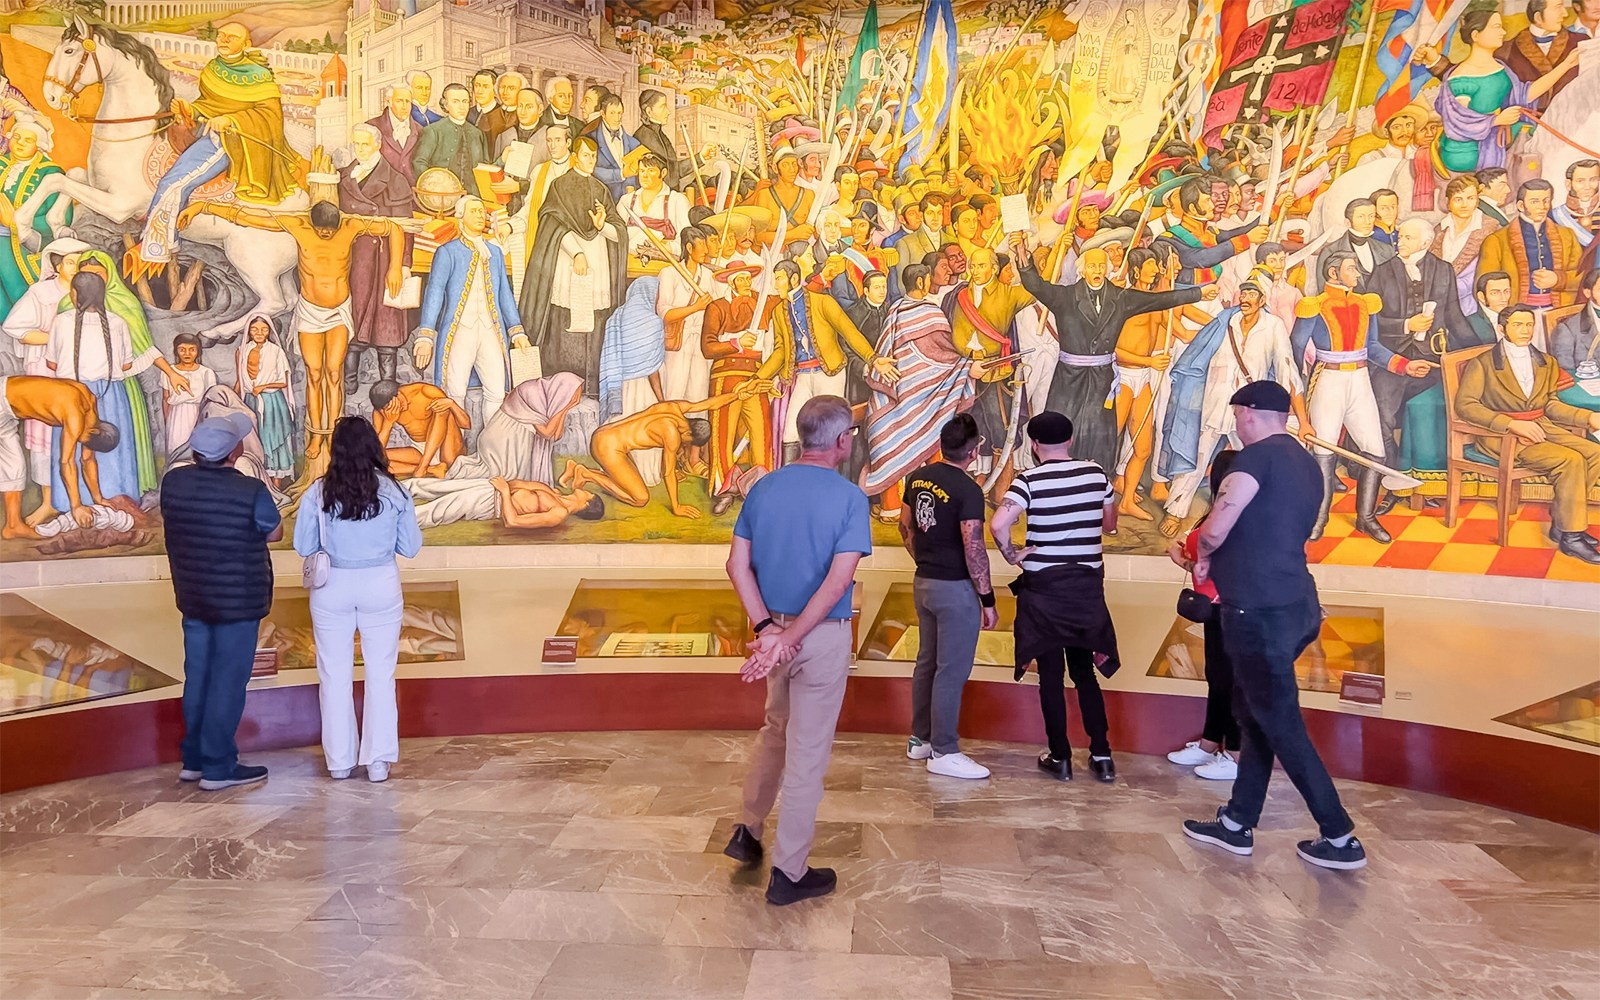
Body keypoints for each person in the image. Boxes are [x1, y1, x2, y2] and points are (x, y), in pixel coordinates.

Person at [1181, 381, 1367, 871]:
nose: (1236, 423)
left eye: (1238, 414)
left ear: (1249, 414)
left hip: (1255, 611)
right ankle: (1237, 823)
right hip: (1296, 604)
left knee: (1281, 724)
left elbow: (1217, 527)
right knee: (1254, 713)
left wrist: (1201, 557)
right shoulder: (1306, 463)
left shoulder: (1251, 462)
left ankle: (1340, 835)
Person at [722, 396, 871, 906]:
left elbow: (737, 566)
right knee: (807, 751)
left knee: (776, 731)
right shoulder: (851, 498)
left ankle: (748, 830)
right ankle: (789, 871)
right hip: (819, 635)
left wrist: (768, 629)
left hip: (772, 634)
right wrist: (790, 638)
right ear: (841, 441)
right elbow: (838, 582)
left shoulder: (763, 487)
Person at [177, 197, 405, 469]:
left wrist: (395, 266)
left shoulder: (351, 226)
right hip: (310, 311)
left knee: (334, 373)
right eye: (321, 230)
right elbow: (248, 215)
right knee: (314, 373)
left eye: (330, 231)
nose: (325, 235)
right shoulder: (297, 226)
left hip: (339, 311)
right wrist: (202, 207)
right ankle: (316, 436)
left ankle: (335, 433)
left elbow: (393, 228)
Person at [989, 411, 1120, 784]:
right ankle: (1102, 756)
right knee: (1085, 674)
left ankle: (1060, 757)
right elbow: (1109, 524)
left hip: (1045, 590)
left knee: (1050, 675)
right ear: (1071, 440)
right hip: (1085, 588)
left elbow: (999, 523)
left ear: (1033, 444)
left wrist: (1011, 554)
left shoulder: (1027, 480)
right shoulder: (1096, 474)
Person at [294, 417, 422, 782]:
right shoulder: (394, 492)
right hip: (380, 582)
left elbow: (304, 546)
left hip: (331, 584)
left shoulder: (318, 492)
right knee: (381, 672)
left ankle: (339, 763)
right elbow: (410, 547)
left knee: (333, 673)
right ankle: (378, 762)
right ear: (374, 448)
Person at [161, 412, 283, 791]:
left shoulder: (173, 483)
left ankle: (193, 760)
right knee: (228, 681)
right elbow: (275, 532)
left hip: (193, 596)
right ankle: (218, 766)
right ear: (234, 452)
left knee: (197, 676)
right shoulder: (249, 490)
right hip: (238, 601)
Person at [134, 22, 298, 270]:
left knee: (173, 182)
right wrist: (191, 109)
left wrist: (232, 120)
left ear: (246, 44)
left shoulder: (259, 75)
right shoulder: (213, 68)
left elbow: (271, 117)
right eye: (221, 36)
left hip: (233, 141)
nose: (223, 40)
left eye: (231, 37)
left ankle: (158, 247)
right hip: (209, 131)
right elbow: (208, 105)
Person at [1457, 305, 1600, 564]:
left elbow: (1552, 405)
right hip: (1503, 436)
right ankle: (1572, 537)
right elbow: (1466, 405)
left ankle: (1563, 521)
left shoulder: (1547, 362)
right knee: (1571, 460)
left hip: (1541, 424)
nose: (1525, 330)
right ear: (1502, 329)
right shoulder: (1484, 363)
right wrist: (1510, 424)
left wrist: (1587, 417)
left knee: (1595, 452)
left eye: (1529, 325)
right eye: (1518, 325)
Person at [901, 414, 996, 780]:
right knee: (951, 671)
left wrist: (923, 559)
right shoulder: (968, 490)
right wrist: (986, 599)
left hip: (923, 582)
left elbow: (905, 525)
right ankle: (944, 750)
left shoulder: (918, 477)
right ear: (973, 452)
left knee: (927, 662)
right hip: (955, 590)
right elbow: (974, 548)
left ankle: (919, 740)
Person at [562, 384, 762, 518]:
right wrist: (676, 506)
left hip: (606, 434)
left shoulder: (674, 408)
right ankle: (585, 473)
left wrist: (737, 395)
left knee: (630, 481)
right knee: (640, 498)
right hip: (606, 447)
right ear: (689, 437)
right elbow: (668, 472)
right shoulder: (672, 435)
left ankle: (582, 471)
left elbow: (708, 403)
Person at [414, 196, 530, 424]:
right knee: (454, 393)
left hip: (490, 332)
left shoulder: (495, 253)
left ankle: (493, 450)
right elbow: (434, 292)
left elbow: (504, 294)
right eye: (474, 211)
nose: (480, 215)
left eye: (481, 211)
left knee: (497, 392)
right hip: (460, 332)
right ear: (461, 218)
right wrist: (426, 335)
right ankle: (454, 449)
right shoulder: (447, 252)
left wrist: (517, 332)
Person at [1165, 449, 1242, 781]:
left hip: (1232, 604)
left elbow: (1224, 560)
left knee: (1232, 680)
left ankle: (1236, 754)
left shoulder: (1240, 512)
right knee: (1217, 675)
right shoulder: (1218, 510)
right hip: (1211, 605)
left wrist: (1183, 560)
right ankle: (1210, 742)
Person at [44, 272, 139, 503]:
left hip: (70, 395)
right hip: (111, 395)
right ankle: (118, 497)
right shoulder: (118, 322)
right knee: (110, 449)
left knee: (69, 451)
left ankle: (70, 503)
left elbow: (51, 363)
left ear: (75, 294)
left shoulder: (61, 321)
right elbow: (127, 364)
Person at [339, 124, 415, 395]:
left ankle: (388, 383)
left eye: (364, 145)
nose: (359, 150)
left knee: (387, 316)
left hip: (384, 257)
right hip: (354, 255)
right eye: (356, 144)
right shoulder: (345, 176)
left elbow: (404, 227)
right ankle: (349, 381)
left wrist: (402, 264)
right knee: (355, 314)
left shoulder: (394, 180)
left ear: (378, 146)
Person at [0, 375, 120, 538]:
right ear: (94, 431)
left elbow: (87, 459)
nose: (78, 440)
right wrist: (76, 507)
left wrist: (98, 498)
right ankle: (13, 526)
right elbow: (67, 461)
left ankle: (12, 526)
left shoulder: (90, 406)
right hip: (3, 399)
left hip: (7, 408)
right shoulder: (75, 415)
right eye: (82, 440)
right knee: (13, 464)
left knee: (15, 466)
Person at [1481, 179, 1584, 311]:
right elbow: (1485, 285)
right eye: (1535, 201)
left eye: (1546, 200)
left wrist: (1558, 279)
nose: (1542, 206)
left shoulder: (1567, 235)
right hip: (1516, 315)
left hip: (1560, 312)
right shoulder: (1497, 240)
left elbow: (1583, 276)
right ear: (1520, 206)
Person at [235, 315, 295, 485]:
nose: (259, 333)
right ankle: (260, 482)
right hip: (251, 402)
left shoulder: (276, 351)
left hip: (273, 403)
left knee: (274, 440)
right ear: (249, 331)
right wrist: (233, 400)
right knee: (255, 441)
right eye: (255, 329)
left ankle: (276, 484)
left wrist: (263, 386)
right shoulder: (242, 351)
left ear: (269, 331)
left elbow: (283, 381)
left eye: (264, 329)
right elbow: (240, 380)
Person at [369, 380, 469, 479]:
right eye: (388, 409)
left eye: (393, 406)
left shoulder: (425, 392)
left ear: (398, 393)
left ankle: (423, 467)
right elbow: (377, 450)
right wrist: (388, 422)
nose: (393, 410)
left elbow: (466, 424)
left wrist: (452, 404)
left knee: (442, 409)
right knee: (371, 460)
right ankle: (432, 469)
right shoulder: (381, 411)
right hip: (419, 450)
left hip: (447, 444)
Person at [411, 83, 489, 192]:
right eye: (455, 102)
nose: (461, 107)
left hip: (473, 198)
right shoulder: (433, 131)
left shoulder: (477, 134)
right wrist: (434, 186)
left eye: (465, 101)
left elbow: (485, 167)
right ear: (446, 105)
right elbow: (419, 163)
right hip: (442, 197)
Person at [162, 333, 216, 456]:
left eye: (192, 350)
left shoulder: (206, 372)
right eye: (182, 350)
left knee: (197, 451)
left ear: (198, 351)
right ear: (176, 351)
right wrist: (167, 420)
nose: (187, 354)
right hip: (176, 415)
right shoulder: (169, 371)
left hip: (198, 413)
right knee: (176, 449)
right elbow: (165, 398)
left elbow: (210, 400)